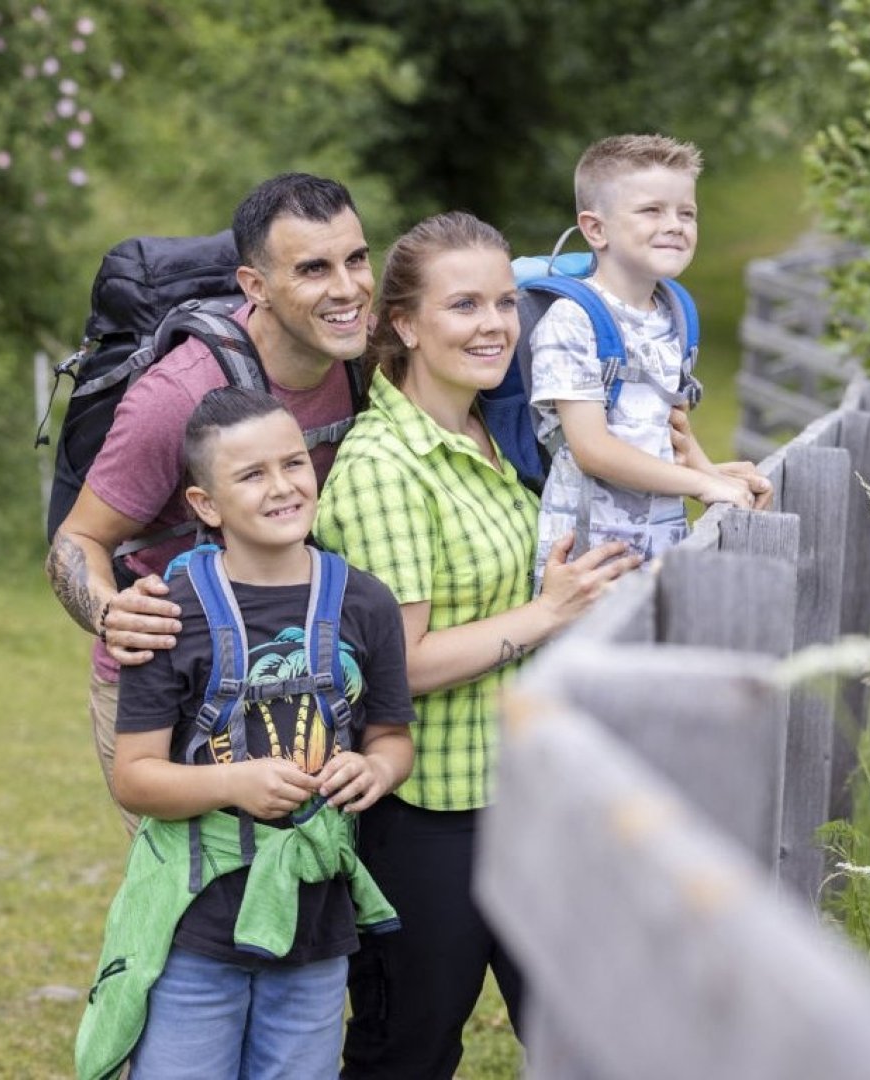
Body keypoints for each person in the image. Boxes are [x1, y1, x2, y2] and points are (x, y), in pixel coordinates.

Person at [312, 211, 641, 1079]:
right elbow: (399, 667)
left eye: (504, 301)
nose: (495, 324)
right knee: (408, 1054)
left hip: (521, 794)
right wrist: (544, 616)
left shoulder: (488, 431)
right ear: (405, 325)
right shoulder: (387, 467)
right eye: (464, 305)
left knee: (591, 1037)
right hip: (427, 819)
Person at [76, 388, 416, 1080]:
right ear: (205, 505)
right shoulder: (166, 613)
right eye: (252, 474)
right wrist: (234, 782)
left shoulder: (366, 602)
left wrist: (377, 772)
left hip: (318, 932)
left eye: (294, 463)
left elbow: (391, 739)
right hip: (196, 930)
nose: (284, 486)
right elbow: (135, 777)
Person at [46, 173, 374, 834]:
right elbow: (75, 541)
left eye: (357, 259)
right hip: (175, 691)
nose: (347, 288)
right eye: (313, 269)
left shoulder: (363, 358)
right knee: (199, 906)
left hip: (298, 670)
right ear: (255, 287)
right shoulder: (179, 394)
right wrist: (112, 615)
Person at [529, 133, 771, 588]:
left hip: (662, 551)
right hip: (592, 562)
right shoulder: (573, 321)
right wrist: (702, 486)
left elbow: (669, 429)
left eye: (687, 213)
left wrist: (711, 473)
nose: (676, 224)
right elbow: (593, 450)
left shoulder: (673, 315)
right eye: (651, 211)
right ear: (596, 229)